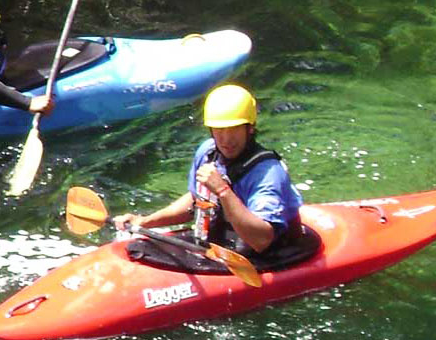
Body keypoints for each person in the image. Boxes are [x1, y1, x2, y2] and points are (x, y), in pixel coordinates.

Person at [113, 83, 312, 264]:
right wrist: (145, 221)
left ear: (250, 128)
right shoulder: (208, 152)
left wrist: (223, 191)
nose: (226, 139)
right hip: (220, 246)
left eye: (233, 129)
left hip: (267, 256)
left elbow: (262, 240)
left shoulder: (268, 173)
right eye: (219, 130)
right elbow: (195, 200)